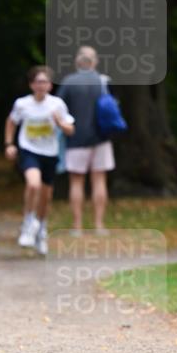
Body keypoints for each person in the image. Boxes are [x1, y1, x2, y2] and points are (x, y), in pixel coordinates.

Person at [4, 66, 75, 256]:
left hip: (50, 153)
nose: (41, 85)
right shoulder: (22, 104)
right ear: (31, 84)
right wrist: (9, 144)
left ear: (50, 85)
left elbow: (70, 130)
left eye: (44, 82)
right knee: (33, 184)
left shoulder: (57, 104)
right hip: (29, 150)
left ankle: (41, 231)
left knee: (46, 197)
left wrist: (60, 124)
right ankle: (28, 223)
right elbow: (11, 122)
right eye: (37, 82)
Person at [58, 46, 114, 235]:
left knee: (76, 182)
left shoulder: (68, 82)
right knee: (99, 181)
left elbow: (59, 108)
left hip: (76, 139)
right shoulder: (103, 81)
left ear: (77, 61)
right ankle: (99, 225)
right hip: (101, 138)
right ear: (95, 61)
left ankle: (77, 226)